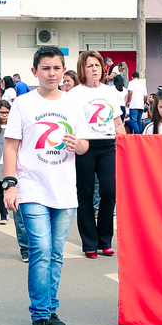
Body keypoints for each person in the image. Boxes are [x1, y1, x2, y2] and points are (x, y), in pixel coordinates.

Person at [2, 46, 88, 325]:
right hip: (31, 187)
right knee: (40, 249)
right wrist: (9, 184)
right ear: (35, 71)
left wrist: (79, 146)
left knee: (56, 253)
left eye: (57, 68)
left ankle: (51, 310)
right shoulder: (23, 104)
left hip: (64, 190)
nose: (52, 74)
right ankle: (39, 317)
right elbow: (11, 146)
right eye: (46, 68)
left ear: (64, 70)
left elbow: (84, 143)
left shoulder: (73, 103)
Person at [69, 50, 122, 259]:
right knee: (86, 194)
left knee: (109, 191)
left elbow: (117, 122)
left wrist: (125, 144)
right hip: (85, 146)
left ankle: (105, 240)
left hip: (108, 145)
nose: (94, 69)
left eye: (97, 65)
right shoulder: (75, 94)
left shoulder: (109, 92)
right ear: (82, 69)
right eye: (90, 65)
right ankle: (90, 243)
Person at [0, 102, 27, 256]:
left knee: (12, 188)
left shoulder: (15, 126)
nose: (4, 115)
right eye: (1, 112)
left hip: (13, 161)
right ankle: (3, 214)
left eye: (6, 112)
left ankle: (11, 210)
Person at [125, 71, 147, 135]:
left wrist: (128, 101)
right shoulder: (142, 84)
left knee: (133, 120)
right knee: (139, 121)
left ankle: (138, 133)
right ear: (138, 77)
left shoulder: (131, 83)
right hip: (141, 105)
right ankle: (140, 134)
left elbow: (130, 92)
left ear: (132, 77)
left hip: (133, 105)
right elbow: (145, 96)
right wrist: (143, 102)